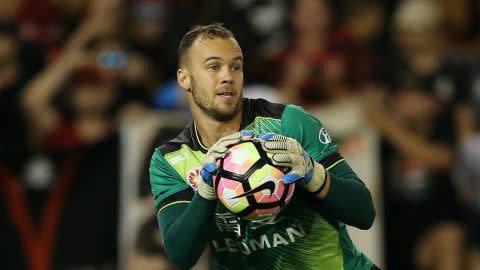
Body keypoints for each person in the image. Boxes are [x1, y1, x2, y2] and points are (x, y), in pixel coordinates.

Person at [149, 22, 378, 270]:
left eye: (235, 67)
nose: (227, 76)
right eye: (213, 67)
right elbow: (182, 256)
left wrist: (313, 173)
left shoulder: (287, 123)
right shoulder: (171, 160)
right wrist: (205, 191)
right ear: (184, 78)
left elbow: (364, 213)